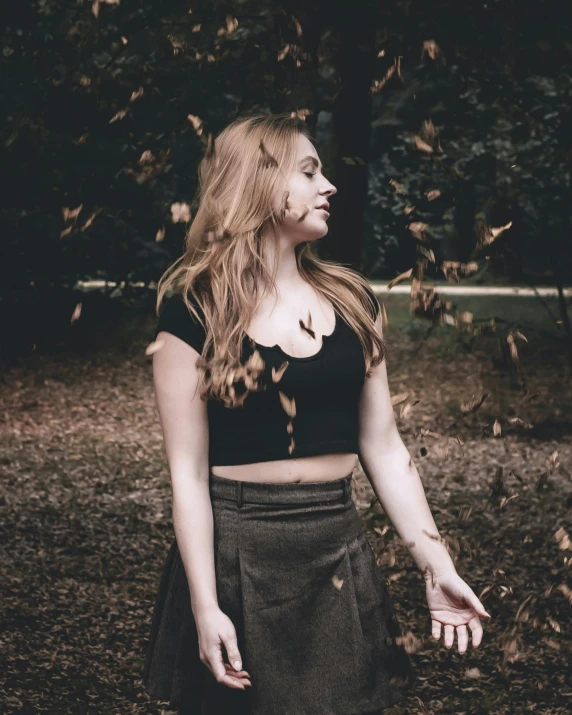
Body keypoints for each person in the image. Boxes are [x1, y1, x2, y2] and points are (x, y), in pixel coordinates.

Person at [142, 112, 491, 715]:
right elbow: (187, 475)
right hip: (237, 547)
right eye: (310, 172)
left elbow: (385, 449)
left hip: (335, 540)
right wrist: (205, 605)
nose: (329, 186)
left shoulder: (354, 302)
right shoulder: (194, 315)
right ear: (258, 183)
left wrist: (436, 565)